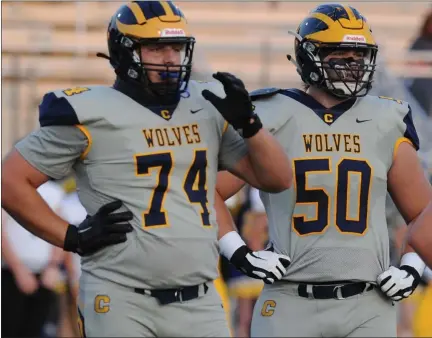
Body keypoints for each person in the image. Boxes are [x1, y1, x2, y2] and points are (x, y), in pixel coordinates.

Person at [1, 1, 293, 337]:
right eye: (156, 47)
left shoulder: (206, 105)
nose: (170, 58)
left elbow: (277, 179)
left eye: (177, 47)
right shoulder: (91, 112)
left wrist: (250, 124)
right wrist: (71, 236)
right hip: (122, 298)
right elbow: (11, 180)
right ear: (125, 52)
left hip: (200, 297)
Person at [214, 3, 432, 337]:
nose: (352, 65)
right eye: (341, 54)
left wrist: (412, 268)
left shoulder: (386, 119)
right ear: (309, 56)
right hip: (289, 299)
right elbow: (202, 190)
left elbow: (422, 213)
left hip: (368, 304)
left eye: (359, 56)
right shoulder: (271, 115)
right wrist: (238, 251)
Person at [2, 181, 66, 337]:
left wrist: (53, 266)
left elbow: (61, 231)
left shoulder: (54, 191)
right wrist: (18, 270)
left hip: (43, 274)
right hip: (11, 273)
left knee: (35, 329)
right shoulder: (8, 183)